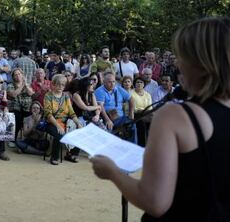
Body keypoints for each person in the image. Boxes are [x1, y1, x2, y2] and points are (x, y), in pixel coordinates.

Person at [91, 17, 230, 221]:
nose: (177, 63)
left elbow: (154, 201)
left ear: (200, 63)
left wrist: (112, 172)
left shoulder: (174, 116)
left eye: (182, 56)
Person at [43, 74, 83, 165]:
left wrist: (78, 123)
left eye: (63, 85)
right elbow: (48, 114)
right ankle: (54, 157)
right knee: (59, 134)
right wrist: (58, 125)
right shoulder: (48, 96)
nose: (61, 87)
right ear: (53, 84)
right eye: (58, 84)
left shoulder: (66, 96)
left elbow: (71, 112)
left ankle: (71, 154)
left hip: (65, 122)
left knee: (80, 130)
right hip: (51, 122)